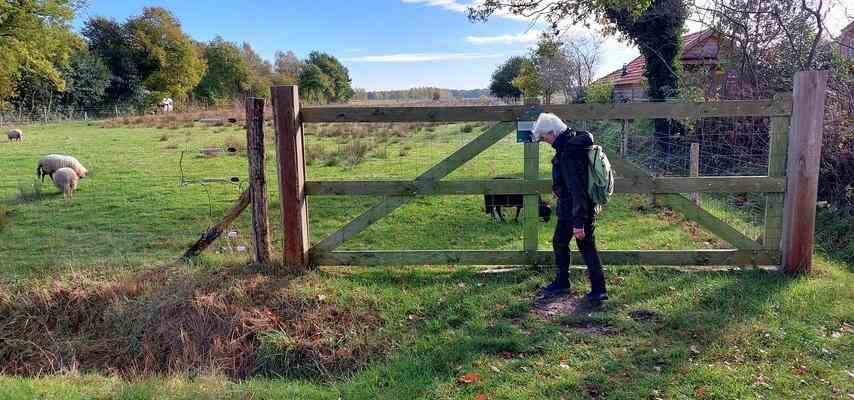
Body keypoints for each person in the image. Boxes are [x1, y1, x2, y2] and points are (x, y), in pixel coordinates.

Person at [531, 113, 608, 303]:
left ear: (552, 132)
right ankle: (563, 282)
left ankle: (598, 291)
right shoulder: (571, 142)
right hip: (570, 207)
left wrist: (579, 222)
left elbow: (578, 189)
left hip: (577, 209)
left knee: (586, 246)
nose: (544, 141)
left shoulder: (569, 153)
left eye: (544, 137)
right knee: (560, 241)